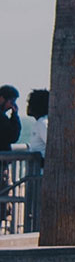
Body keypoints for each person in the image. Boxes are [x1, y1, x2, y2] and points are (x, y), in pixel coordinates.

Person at [0, 87, 19, 229]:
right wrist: (15, 116)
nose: (12, 105)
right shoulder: (2, 119)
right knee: (3, 199)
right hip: (2, 166)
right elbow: (12, 136)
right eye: (11, 101)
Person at [24, 89, 48, 158]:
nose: (27, 106)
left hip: (40, 168)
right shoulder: (40, 123)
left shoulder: (42, 123)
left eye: (29, 103)